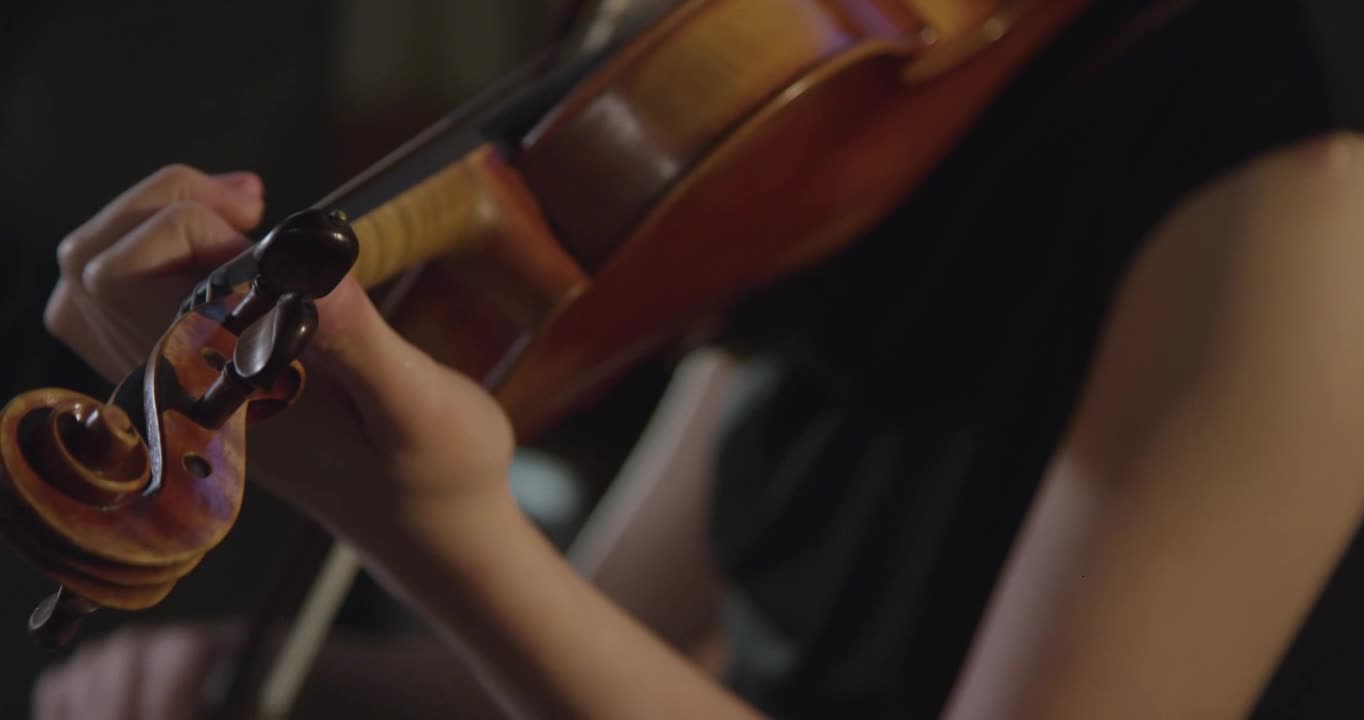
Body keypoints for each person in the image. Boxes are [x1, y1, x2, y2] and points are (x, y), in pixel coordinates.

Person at [27, 0, 1364, 717]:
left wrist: (442, 533)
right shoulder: (861, 77)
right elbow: (618, 654)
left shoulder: (1306, 193)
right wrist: (281, 686)